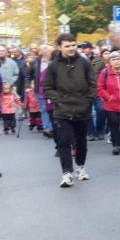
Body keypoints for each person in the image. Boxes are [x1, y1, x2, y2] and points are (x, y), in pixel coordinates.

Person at [43, 33, 97, 187]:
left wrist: (88, 101)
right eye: (67, 46)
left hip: (82, 109)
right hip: (62, 110)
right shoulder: (53, 65)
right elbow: (48, 87)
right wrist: (58, 101)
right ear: (60, 47)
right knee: (64, 141)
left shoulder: (84, 63)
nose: (71, 48)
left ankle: (80, 166)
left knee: (81, 141)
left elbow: (93, 83)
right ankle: (67, 173)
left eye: (73, 45)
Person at [98, 51, 120, 155]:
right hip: (111, 105)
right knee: (113, 124)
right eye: (113, 60)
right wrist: (108, 97)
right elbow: (100, 88)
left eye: (118, 59)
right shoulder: (104, 73)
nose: (116, 62)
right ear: (109, 61)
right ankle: (116, 145)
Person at [81, 42, 107, 141]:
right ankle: (91, 132)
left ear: (90, 49)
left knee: (101, 110)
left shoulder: (99, 61)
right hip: (85, 91)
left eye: (85, 48)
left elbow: (104, 75)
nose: (84, 50)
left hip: (97, 90)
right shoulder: (80, 61)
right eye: (83, 48)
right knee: (88, 113)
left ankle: (100, 130)